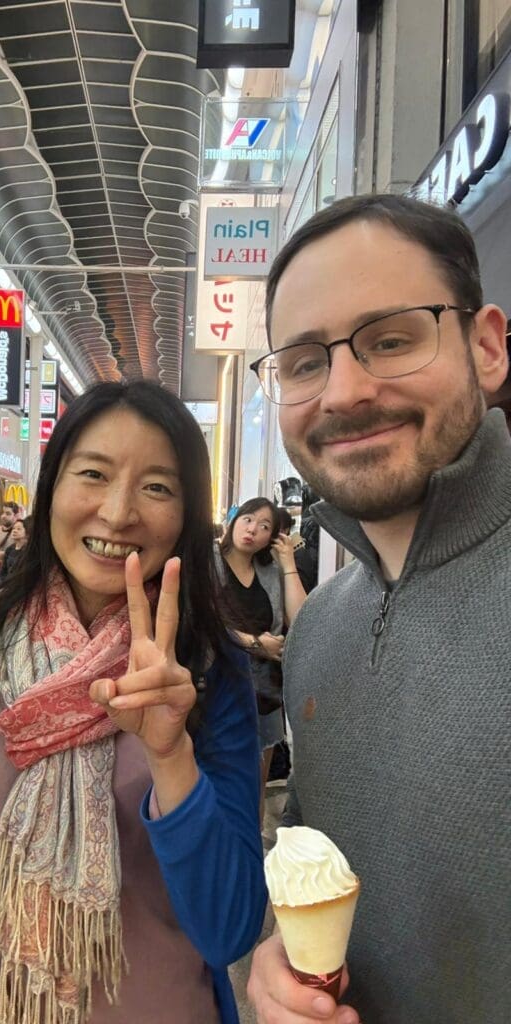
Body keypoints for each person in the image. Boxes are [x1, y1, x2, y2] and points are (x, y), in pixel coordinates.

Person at [0, 380, 267, 1024]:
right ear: (52, 489)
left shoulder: (210, 669)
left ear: (188, 512)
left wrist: (171, 754)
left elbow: (230, 928)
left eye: (157, 486)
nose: (118, 511)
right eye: (93, 474)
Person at [247, 193, 510, 1023]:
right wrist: (277, 961)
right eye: (302, 361)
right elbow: (314, 851)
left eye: (391, 340)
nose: (346, 392)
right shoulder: (319, 629)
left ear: (487, 346)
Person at [217, 499, 306, 822]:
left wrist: (287, 562)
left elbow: (301, 617)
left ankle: (250, 858)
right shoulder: (209, 560)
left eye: (264, 526)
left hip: (265, 693)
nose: (253, 529)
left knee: (255, 786)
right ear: (234, 520)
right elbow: (199, 622)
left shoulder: (268, 569)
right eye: (248, 519)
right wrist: (256, 643)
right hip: (218, 687)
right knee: (220, 783)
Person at [0, 515, 30, 582]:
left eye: (19, 529)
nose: (14, 531)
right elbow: (3, 571)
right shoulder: (10, 549)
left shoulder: (27, 550)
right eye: (14, 528)